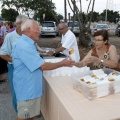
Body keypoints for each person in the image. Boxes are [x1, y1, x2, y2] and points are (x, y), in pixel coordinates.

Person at [12, 19, 75, 120]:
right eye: (37, 29)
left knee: (29, 116)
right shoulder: (24, 46)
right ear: (28, 30)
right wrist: (62, 63)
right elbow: (43, 66)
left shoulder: (27, 43)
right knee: (24, 116)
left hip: (30, 89)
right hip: (27, 90)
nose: (39, 31)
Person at [0, 15, 28, 113]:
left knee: (26, 90)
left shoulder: (28, 35)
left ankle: (26, 111)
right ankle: (19, 113)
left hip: (28, 67)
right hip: (14, 67)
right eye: (23, 24)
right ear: (17, 24)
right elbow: (2, 54)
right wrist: (15, 61)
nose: (26, 26)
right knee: (16, 92)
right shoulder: (10, 36)